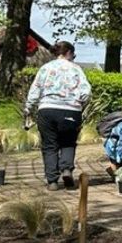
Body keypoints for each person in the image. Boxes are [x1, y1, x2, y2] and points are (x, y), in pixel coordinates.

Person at [22, 40, 91, 190]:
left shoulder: (45, 68)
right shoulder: (76, 69)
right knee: (68, 142)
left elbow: (35, 89)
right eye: (73, 54)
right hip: (71, 110)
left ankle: (52, 180)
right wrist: (78, 102)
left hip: (47, 109)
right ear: (69, 53)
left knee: (49, 145)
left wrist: (28, 108)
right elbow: (86, 91)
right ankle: (66, 169)